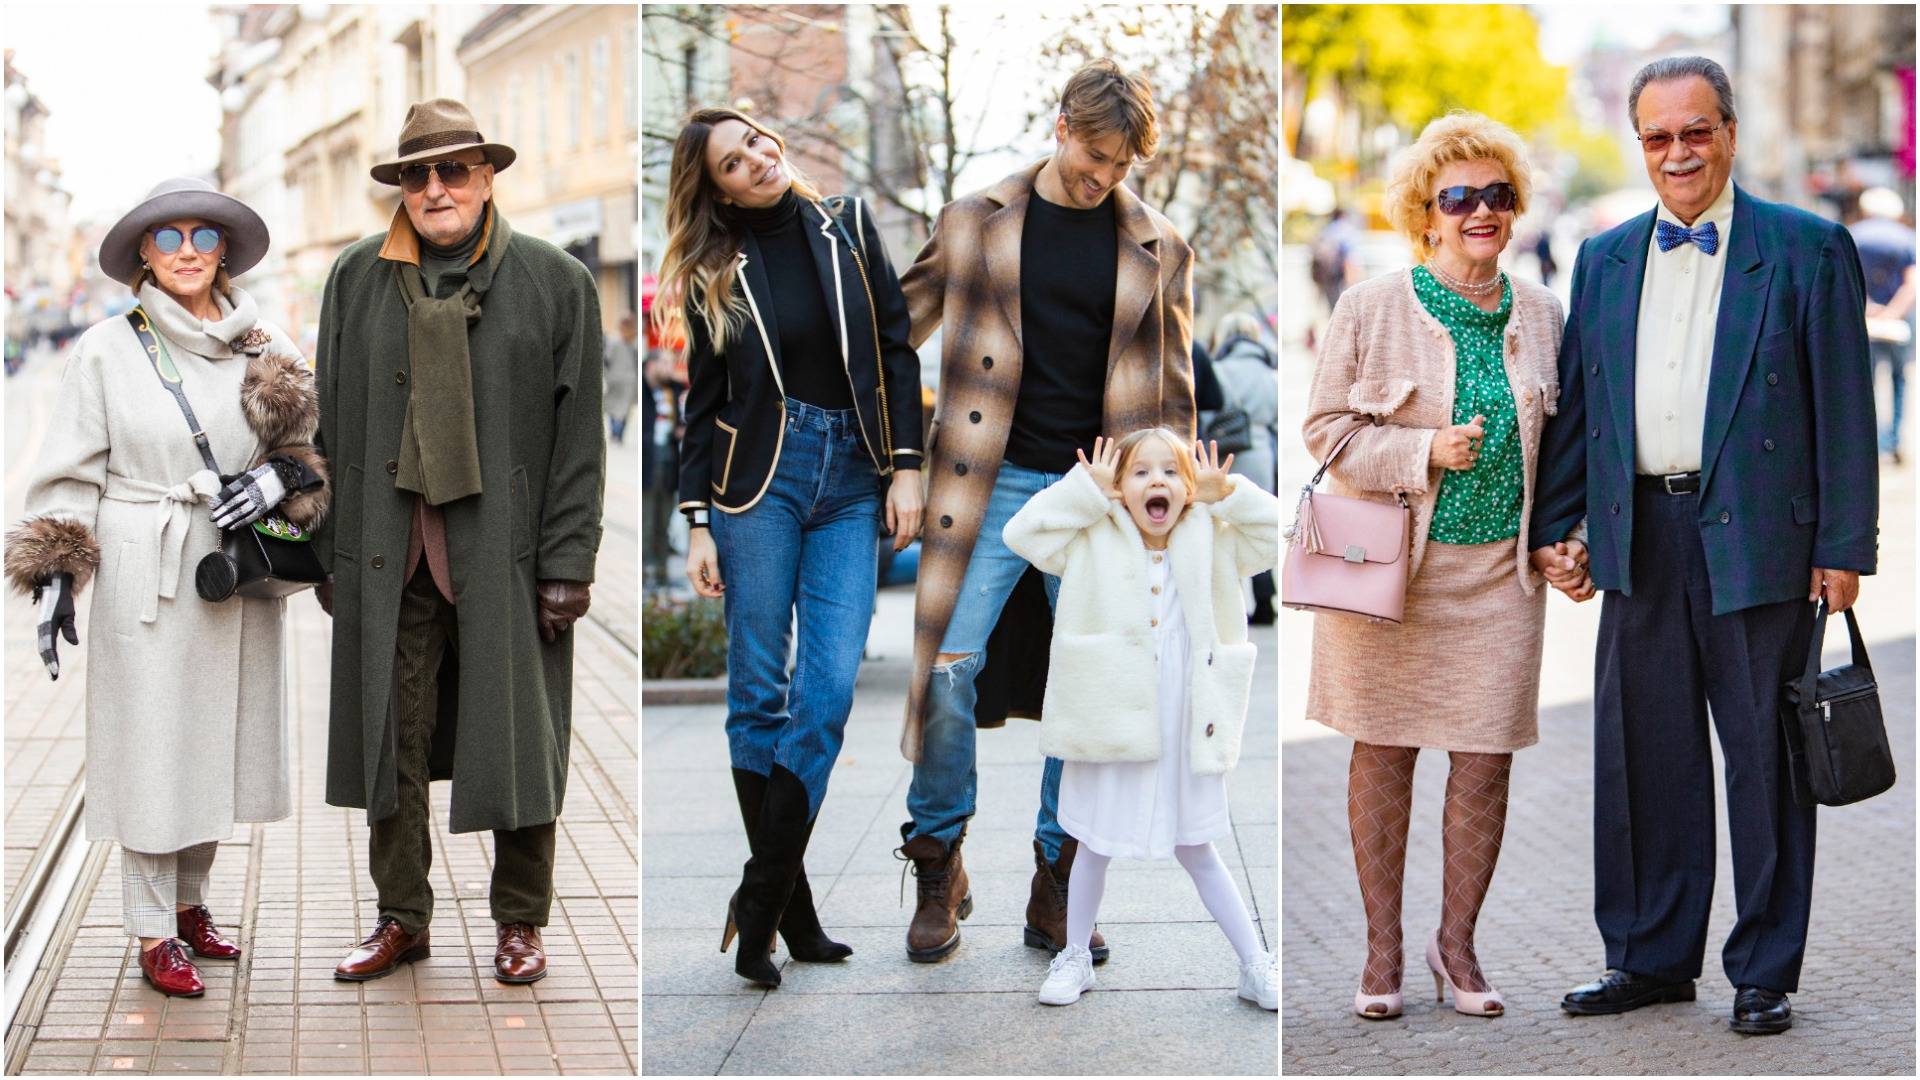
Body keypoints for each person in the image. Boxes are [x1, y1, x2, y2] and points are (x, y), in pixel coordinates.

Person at [1532, 57, 1877, 1035]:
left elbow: (1845, 410)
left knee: (1764, 761)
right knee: (1645, 757)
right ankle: (1648, 956)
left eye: (1695, 131)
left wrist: (1846, 546)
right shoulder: (1600, 258)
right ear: (1639, 143)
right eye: (1657, 137)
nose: (1677, 153)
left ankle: (1763, 970)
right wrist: (1564, 531)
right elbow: (1581, 411)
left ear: (1728, 130)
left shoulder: (1809, 248)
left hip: (1761, 532)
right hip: (1638, 532)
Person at [895, 58, 1195, 966]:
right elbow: (888, 331)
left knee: (1087, 687)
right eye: (1094, 156)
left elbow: (1172, 390)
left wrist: (1166, 506)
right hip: (982, 483)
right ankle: (938, 858)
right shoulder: (972, 221)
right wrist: (898, 458)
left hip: (1097, 498)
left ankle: (1057, 879)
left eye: (1121, 166)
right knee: (946, 667)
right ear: (1062, 124)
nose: (1103, 178)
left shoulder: (1160, 246)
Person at [4, 177, 329, 996]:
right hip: (143, 572)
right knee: (153, 752)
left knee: (215, 748)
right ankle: (153, 931)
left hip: (234, 573)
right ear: (144, 253)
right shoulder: (107, 349)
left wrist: (275, 483)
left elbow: (312, 453)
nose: (188, 251)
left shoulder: (268, 344)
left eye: (205, 236)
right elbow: (69, 474)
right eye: (170, 237)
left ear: (225, 250)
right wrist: (54, 580)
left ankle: (191, 907)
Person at [313, 99, 606, 986]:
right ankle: (402, 917)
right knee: (389, 740)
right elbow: (325, 425)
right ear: (400, 187)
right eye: (416, 174)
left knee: (521, 739)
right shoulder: (355, 278)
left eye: (454, 171)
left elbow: (579, 441)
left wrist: (569, 563)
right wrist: (329, 548)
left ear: (487, 177)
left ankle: (521, 920)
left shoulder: (557, 281)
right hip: (385, 551)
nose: (434, 189)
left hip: (507, 557)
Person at [1302, 112, 1569, 1020]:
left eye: (1498, 195)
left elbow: (1568, 447)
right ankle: (1382, 954)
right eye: (1460, 198)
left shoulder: (1544, 315)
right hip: (1390, 574)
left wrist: (1563, 540)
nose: (1481, 212)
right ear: (1427, 214)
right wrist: (1423, 453)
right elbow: (1327, 433)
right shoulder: (1369, 307)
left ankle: (1456, 946)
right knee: (1382, 753)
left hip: (1500, 580)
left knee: (1485, 760)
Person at [660, 106, 925, 987]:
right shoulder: (711, 271)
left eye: (759, 142)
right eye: (736, 162)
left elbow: (894, 347)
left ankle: (760, 897)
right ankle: (794, 913)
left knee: (829, 689)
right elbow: (701, 402)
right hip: (756, 489)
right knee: (759, 695)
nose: (758, 160)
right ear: (717, 188)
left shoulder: (846, 226)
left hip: (852, 476)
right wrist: (697, 519)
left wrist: (907, 469)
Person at [1002, 431, 1278, 1009]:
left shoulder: (1214, 534)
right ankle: (1074, 956)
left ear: (1190, 487)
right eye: (1141, 473)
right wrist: (1084, 491)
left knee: (1198, 845)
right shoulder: (1091, 535)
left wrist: (1227, 493)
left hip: (1187, 718)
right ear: (1119, 489)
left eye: (1172, 473)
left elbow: (1280, 535)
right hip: (1110, 715)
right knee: (1091, 843)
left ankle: (1255, 962)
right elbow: (1020, 533)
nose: (1158, 482)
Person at [1208, 312, 1279, 623]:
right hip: (1263, 455)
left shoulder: (1218, 371)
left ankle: (1231, 603)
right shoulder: (1269, 374)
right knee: (1259, 524)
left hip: (1225, 455)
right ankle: (1265, 600)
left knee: (1225, 527)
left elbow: (1209, 418)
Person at [1849, 187, 1916, 462]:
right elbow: (1912, 283)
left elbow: (1846, 278)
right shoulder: (1907, 238)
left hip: (1864, 319)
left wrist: (1868, 308)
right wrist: (1893, 312)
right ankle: (1893, 439)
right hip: (1899, 322)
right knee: (1899, 378)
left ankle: (1871, 443)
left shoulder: (1853, 235)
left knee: (1867, 383)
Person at [605, 312, 640, 444]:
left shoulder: (614, 341)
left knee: (613, 407)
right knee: (624, 409)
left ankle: (615, 432)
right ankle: (618, 434)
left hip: (614, 378)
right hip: (629, 380)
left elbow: (607, 359)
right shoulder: (635, 342)